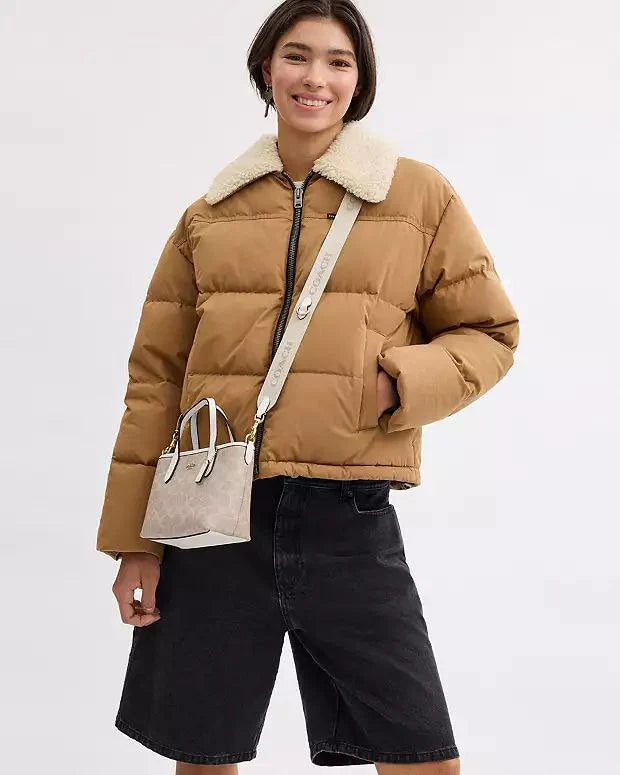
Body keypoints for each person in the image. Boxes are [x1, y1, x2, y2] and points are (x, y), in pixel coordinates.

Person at [96, 1, 519, 772]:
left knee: (421, 751)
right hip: (212, 519)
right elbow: (155, 381)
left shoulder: (417, 196)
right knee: (203, 752)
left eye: (338, 61)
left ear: (359, 81)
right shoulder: (209, 215)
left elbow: (489, 332)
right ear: (267, 68)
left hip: (348, 515)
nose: (315, 77)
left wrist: (397, 383)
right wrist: (135, 544)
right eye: (297, 55)